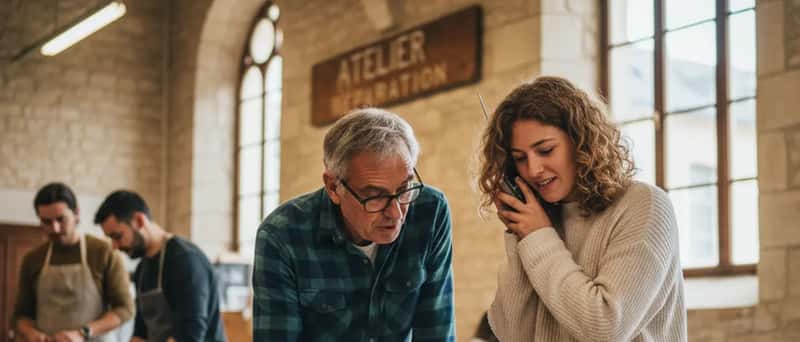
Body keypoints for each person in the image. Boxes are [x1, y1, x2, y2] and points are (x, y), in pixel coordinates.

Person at [478, 76, 687, 341]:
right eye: (520, 158)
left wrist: (537, 235)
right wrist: (520, 235)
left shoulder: (645, 205)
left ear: (580, 141)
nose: (533, 169)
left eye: (545, 150)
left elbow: (604, 328)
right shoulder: (541, 220)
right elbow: (512, 334)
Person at [252, 107, 455, 341]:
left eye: (403, 190)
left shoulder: (430, 212)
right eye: (375, 196)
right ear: (333, 187)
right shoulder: (282, 235)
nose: (396, 212)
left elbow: (436, 332)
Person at [93, 190, 226, 342]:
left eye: (117, 236)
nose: (115, 246)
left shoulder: (185, 260)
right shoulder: (142, 269)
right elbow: (141, 331)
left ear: (139, 221)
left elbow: (190, 336)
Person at [12, 182, 134, 342]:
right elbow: (21, 315)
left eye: (61, 219)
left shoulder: (104, 252)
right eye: (46, 222)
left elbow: (125, 309)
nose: (54, 228)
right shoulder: (32, 259)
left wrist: (83, 332)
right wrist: (30, 333)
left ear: (76, 213)